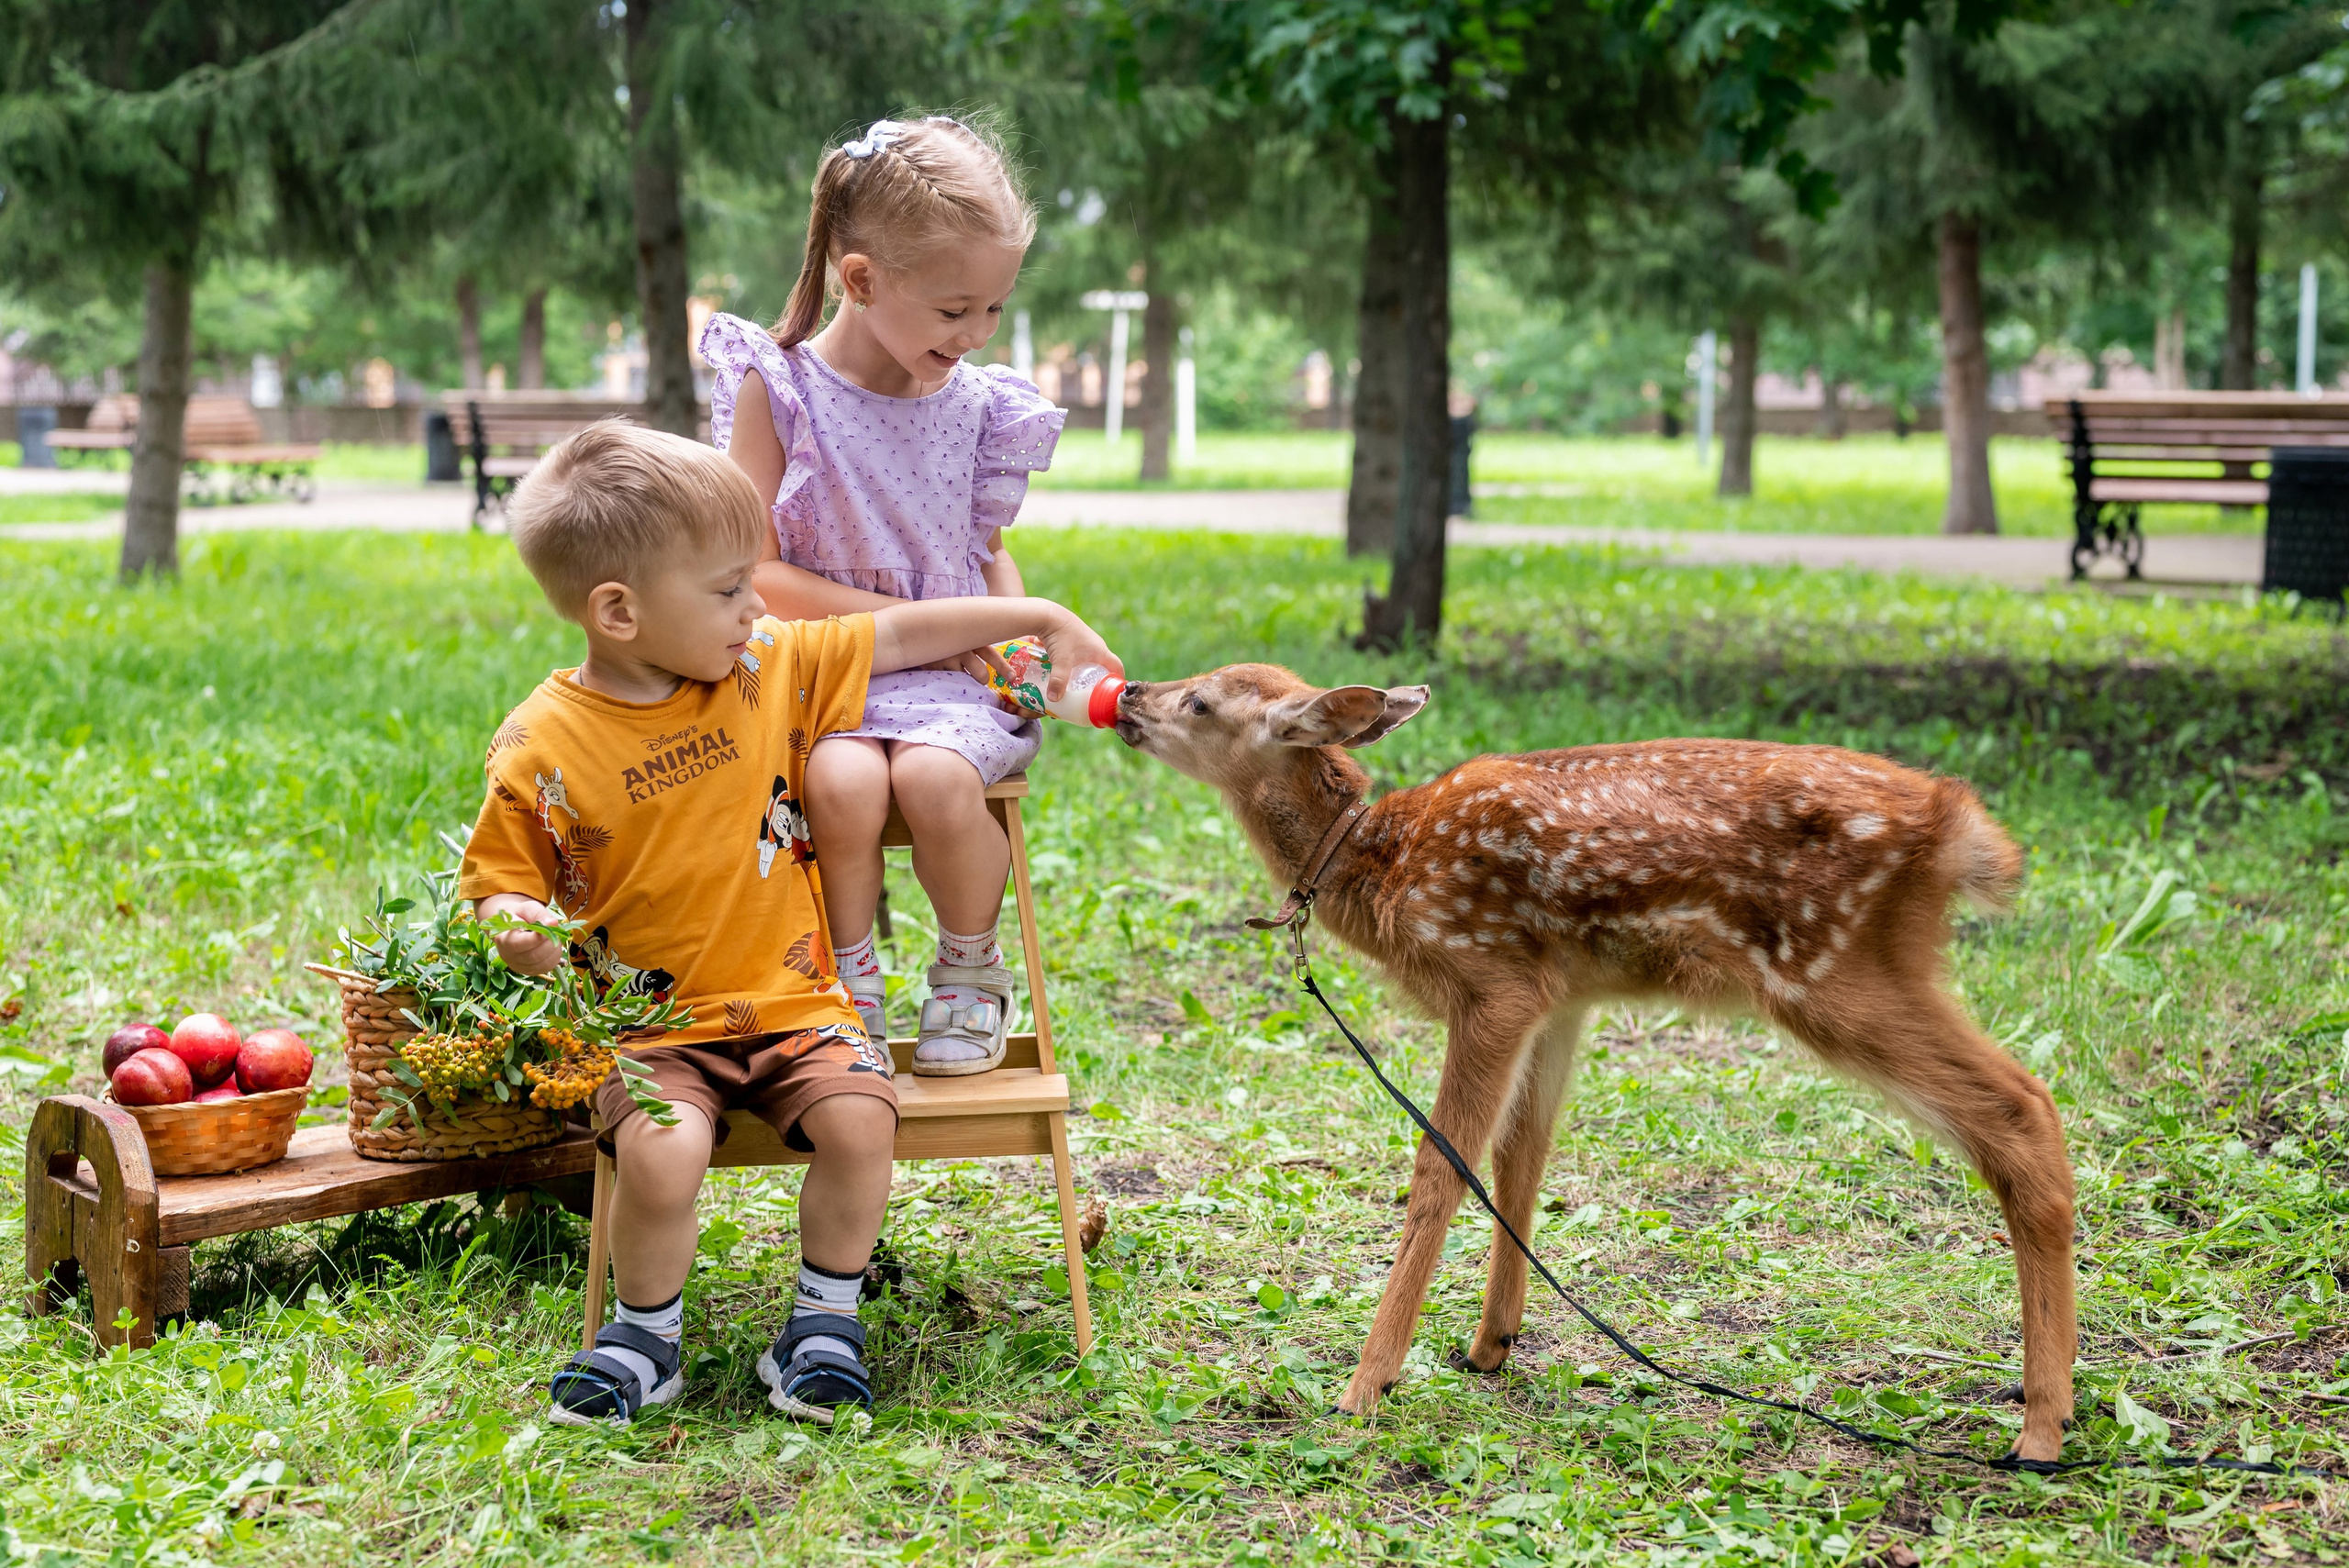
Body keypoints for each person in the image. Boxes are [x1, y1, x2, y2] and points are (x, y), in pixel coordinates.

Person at [458, 422, 1118, 1427]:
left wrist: (1039, 611)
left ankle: (823, 1319)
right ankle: (643, 1334)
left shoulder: (765, 667)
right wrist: (515, 923)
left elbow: (897, 635)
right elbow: (500, 881)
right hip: (649, 1033)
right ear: (618, 610)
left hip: (797, 1001)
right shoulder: (542, 744)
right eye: (728, 588)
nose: (756, 603)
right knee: (665, 1150)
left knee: (861, 1121)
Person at [700, 113, 1062, 1077]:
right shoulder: (777, 390)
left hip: (950, 682)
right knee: (841, 781)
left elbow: (986, 553)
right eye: (954, 310)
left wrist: (1013, 646)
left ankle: (971, 970)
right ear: (860, 280)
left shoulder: (980, 407)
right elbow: (759, 573)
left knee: (936, 780)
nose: (976, 333)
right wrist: (908, 631)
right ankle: (842, 978)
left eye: (992, 309)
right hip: (822, 673)